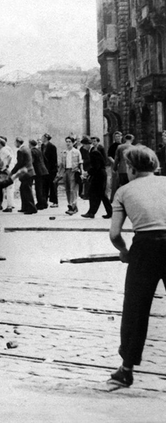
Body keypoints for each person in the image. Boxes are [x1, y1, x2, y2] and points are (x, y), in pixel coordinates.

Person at [107, 145, 166, 388]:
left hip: (144, 248)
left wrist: (125, 252)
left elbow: (114, 234)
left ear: (130, 168)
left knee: (136, 308)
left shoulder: (123, 191)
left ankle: (127, 368)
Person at [82, 136, 112, 219]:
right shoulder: (93, 151)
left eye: (84, 145)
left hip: (99, 175)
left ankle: (92, 212)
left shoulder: (93, 152)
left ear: (87, 144)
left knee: (95, 194)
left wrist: (87, 173)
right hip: (99, 174)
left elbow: (97, 166)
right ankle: (94, 212)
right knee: (99, 194)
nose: (84, 147)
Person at [12, 137, 36, 214]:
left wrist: (12, 172)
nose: (15, 144)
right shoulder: (26, 148)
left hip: (26, 173)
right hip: (30, 172)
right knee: (23, 189)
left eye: (15, 142)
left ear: (18, 143)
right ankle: (25, 207)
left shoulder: (20, 151)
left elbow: (19, 163)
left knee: (27, 191)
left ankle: (31, 208)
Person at [60, 136, 83, 215]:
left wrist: (82, 173)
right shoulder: (64, 152)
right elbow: (61, 164)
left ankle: (72, 206)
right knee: (67, 189)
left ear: (73, 143)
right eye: (67, 141)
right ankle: (71, 205)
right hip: (66, 171)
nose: (68, 143)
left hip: (74, 171)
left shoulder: (77, 151)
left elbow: (80, 162)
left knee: (73, 190)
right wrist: (60, 173)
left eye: (70, 142)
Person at [29, 138, 49, 210]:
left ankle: (40, 203)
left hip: (38, 171)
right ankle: (44, 203)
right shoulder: (38, 150)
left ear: (30, 144)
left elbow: (32, 161)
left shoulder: (32, 151)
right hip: (43, 170)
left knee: (38, 188)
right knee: (42, 188)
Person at [0, 136, 15, 212]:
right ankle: (10, 204)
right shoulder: (4, 149)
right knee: (8, 188)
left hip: (7, 170)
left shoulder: (4, 149)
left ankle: (9, 206)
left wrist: (6, 166)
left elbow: (10, 157)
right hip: (7, 170)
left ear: (0, 143)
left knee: (8, 188)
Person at [41, 133, 59, 208]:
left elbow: (54, 159)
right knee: (44, 185)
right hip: (44, 169)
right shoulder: (42, 146)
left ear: (46, 138)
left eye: (43, 137)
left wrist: (53, 169)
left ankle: (55, 201)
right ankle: (44, 201)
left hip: (51, 170)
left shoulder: (52, 147)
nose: (42, 138)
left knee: (52, 186)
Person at [108, 130, 123, 200]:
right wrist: (115, 163)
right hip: (115, 166)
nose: (117, 138)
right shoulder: (112, 146)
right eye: (116, 137)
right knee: (114, 181)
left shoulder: (123, 145)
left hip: (123, 166)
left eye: (118, 136)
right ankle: (113, 198)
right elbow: (109, 156)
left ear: (121, 137)